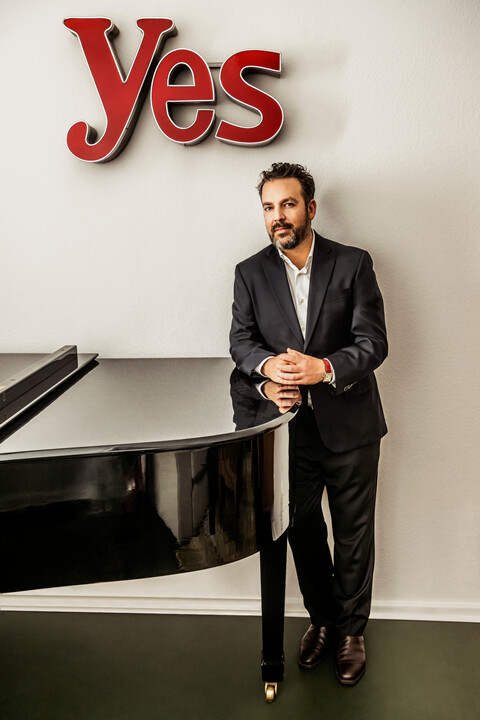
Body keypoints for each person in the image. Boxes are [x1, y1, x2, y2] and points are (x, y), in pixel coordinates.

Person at [229, 162, 387, 685]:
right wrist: (267, 369)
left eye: (288, 204)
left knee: (353, 532)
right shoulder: (249, 272)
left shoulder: (354, 263)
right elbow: (241, 341)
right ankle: (323, 620)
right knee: (301, 529)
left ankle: (351, 633)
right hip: (288, 429)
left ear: (311, 208)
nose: (278, 216)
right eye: (269, 207)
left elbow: (373, 343)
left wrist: (324, 368)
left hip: (352, 426)